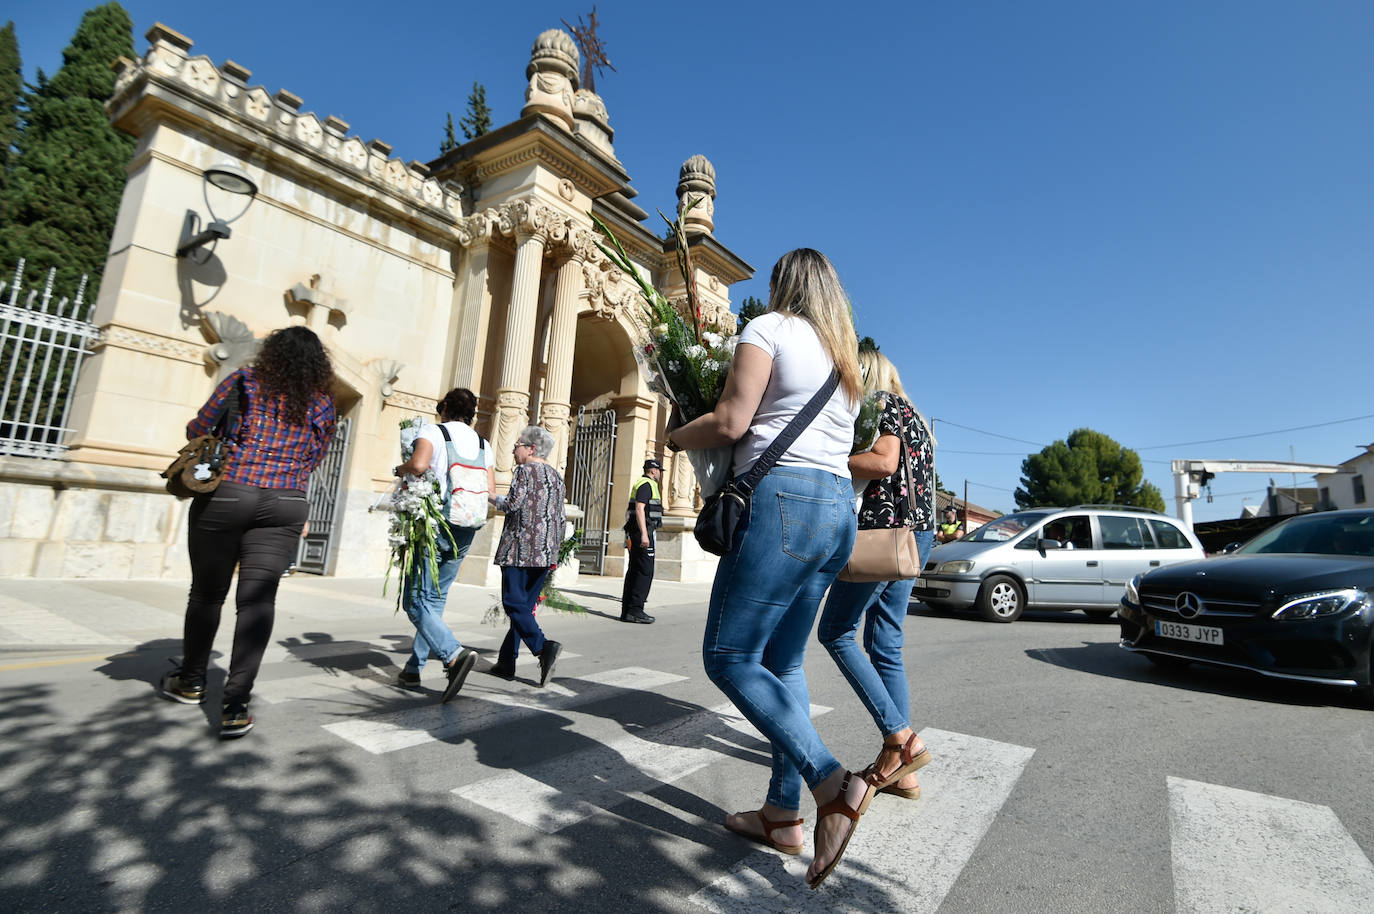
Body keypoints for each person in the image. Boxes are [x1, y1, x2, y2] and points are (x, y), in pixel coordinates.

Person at [668, 248, 871, 890]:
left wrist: (673, 437)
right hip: (838, 509)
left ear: (783, 286)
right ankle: (782, 815)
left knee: (728, 657)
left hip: (783, 500)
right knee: (782, 663)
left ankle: (830, 783)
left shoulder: (768, 329)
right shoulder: (845, 363)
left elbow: (732, 421)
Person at [157, 326, 336, 739]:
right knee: (257, 602)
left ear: (272, 353)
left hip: (230, 492)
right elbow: (315, 455)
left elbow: (198, 426)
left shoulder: (243, 381)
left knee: (206, 592)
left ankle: (192, 681)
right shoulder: (323, 403)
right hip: (286, 501)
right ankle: (236, 705)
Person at [817, 350, 935, 805]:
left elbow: (884, 462)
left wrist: (830, 457)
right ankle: (902, 772)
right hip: (915, 535)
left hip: (882, 534)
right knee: (885, 642)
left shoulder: (882, 404)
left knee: (836, 632)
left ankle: (901, 738)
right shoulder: (916, 417)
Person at [391, 387, 493, 700]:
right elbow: (489, 486)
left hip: (435, 522)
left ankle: (453, 654)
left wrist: (402, 468)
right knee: (435, 599)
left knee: (415, 601)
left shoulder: (432, 432)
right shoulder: (482, 443)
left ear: (445, 407)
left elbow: (419, 466)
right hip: (467, 526)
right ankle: (414, 667)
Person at [486, 425, 566, 687]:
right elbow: (561, 518)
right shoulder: (556, 476)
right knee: (524, 609)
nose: (513, 449)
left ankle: (543, 647)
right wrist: (553, 551)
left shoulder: (524, 470)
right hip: (544, 553)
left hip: (520, 550)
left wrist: (489, 496)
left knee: (513, 604)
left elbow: (512, 504)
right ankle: (506, 662)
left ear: (531, 448)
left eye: (517, 444)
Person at [620, 458, 664, 624]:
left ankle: (628, 611)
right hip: (642, 534)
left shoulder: (640, 483)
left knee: (634, 570)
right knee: (645, 571)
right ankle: (636, 610)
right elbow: (639, 508)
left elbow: (628, 511)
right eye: (659, 471)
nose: (660, 474)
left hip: (635, 533)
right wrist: (644, 534)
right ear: (653, 470)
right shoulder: (647, 485)